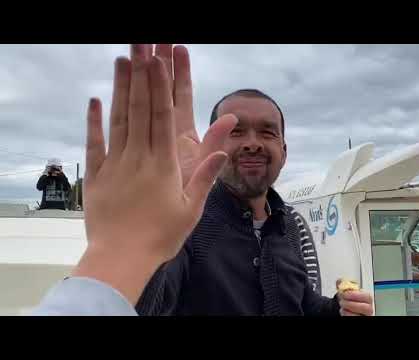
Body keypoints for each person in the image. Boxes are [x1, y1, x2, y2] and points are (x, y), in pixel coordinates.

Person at [135, 44, 373, 316]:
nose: (252, 143)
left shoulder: (290, 226)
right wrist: (154, 230)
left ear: (283, 153)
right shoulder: (187, 226)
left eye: (267, 132)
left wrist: (337, 309)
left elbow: (302, 301)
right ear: (211, 147)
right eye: (235, 131)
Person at [32, 44, 236, 315]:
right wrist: (127, 247)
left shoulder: (288, 228)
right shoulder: (202, 235)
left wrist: (116, 249)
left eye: (269, 131)